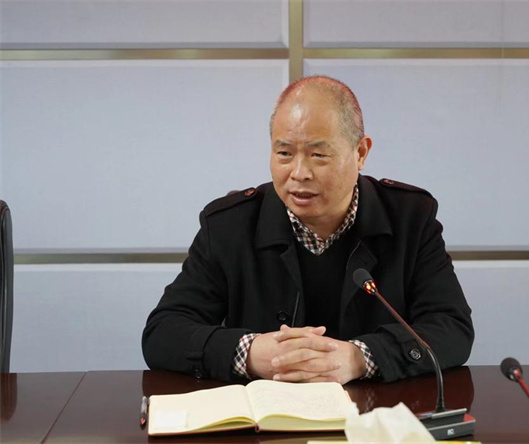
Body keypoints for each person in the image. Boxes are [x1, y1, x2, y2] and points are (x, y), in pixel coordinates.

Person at [142, 76, 473, 384]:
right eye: (284, 153)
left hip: (374, 414)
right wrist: (251, 353)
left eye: (318, 155)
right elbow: (163, 333)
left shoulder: (410, 218)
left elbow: (452, 327)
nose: (299, 173)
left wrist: (361, 357)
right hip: (264, 416)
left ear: (360, 153)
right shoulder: (229, 226)